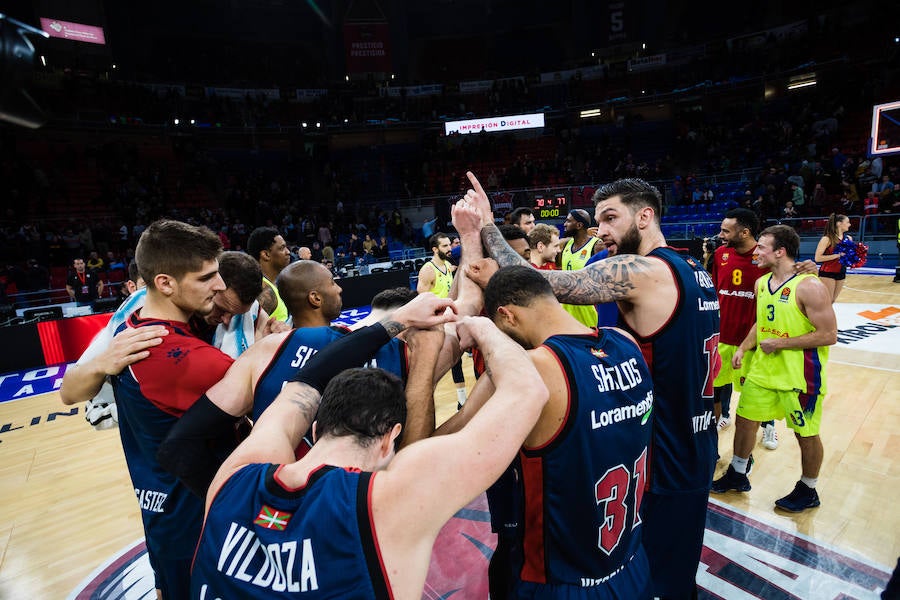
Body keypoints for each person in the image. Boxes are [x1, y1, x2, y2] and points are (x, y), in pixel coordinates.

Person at [464, 171, 719, 598]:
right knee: (677, 576)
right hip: (695, 444)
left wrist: (487, 226)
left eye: (610, 218)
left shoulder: (646, 270)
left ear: (645, 217)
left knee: (653, 579)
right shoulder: (694, 267)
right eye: (598, 220)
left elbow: (545, 285)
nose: (601, 231)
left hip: (662, 456)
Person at [190, 298, 549, 600]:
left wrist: (396, 320)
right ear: (391, 437)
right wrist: (483, 328)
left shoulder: (233, 477)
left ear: (315, 429)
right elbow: (527, 390)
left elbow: (303, 385)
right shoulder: (389, 501)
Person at [441, 264, 654, 598]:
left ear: (506, 316)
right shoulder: (627, 343)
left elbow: (437, 449)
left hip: (561, 581)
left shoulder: (532, 369)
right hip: (631, 564)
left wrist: (477, 337)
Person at [107, 220, 235, 599]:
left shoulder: (129, 327)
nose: (221, 286)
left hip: (161, 512)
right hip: (197, 522)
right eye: (207, 277)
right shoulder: (184, 359)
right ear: (165, 283)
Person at [712, 225, 837, 512]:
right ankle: (738, 474)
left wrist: (781, 344)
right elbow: (761, 321)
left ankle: (808, 489)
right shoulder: (762, 283)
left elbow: (829, 334)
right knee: (745, 420)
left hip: (800, 376)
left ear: (780, 252)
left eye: (762, 247)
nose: (756, 251)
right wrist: (744, 347)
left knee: (805, 434)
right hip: (762, 371)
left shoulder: (809, 286)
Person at [710, 209, 779, 450]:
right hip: (723, 336)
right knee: (716, 389)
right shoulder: (720, 254)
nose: (720, 235)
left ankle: (769, 426)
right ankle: (717, 429)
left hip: (754, 339)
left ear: (745, 232)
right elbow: (714, 290)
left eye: (725, 231)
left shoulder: (765, 258)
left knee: (758, 394)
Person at [417, 232, 466, 406]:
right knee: (433, 368)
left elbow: (453, 271)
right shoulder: (428, 270)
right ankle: (422, 402)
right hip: (435, 325)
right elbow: (421, 301)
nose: (449, 248)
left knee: (457, 361)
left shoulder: (447, 265)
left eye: (449, 245)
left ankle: (462, 401)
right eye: (445, 246)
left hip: (450, 320)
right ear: (435, 249)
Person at [558, 209, 603, 328]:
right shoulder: (566, 244)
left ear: (579, 225)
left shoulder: (597, 245)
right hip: (567, 307)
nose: (564, 224)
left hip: (588, 309)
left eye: (568, 221)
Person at [248, 226, 292, 321]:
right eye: (282, 248)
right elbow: (249, 333)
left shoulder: (272, 286)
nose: (288, 252)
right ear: (266, 254)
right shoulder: (264, 291)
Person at [814, 213, 852, 303]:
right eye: (847, 222)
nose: (849, 224)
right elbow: (817, 258)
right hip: (828, 273)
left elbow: (848, 256)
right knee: (826, 301)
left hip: (842, 272)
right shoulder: (827, 239)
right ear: (839, 224)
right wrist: (837, 255)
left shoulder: (849, 238)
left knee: (832, 300)